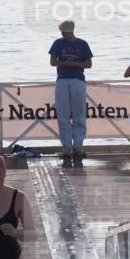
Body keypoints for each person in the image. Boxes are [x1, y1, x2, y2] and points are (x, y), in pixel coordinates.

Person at [48, 20, 92, 158]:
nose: (62, 34)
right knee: (63, 114)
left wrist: (75, 64)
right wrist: (64, 63)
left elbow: (88, 64)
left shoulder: (82, 44)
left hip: (78, 79)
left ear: (70, 31)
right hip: (62, 79)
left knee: (79, 113)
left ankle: (78, 146)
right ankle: (66, 147)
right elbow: (52, 62)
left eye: (64, 32)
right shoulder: (58, 43)